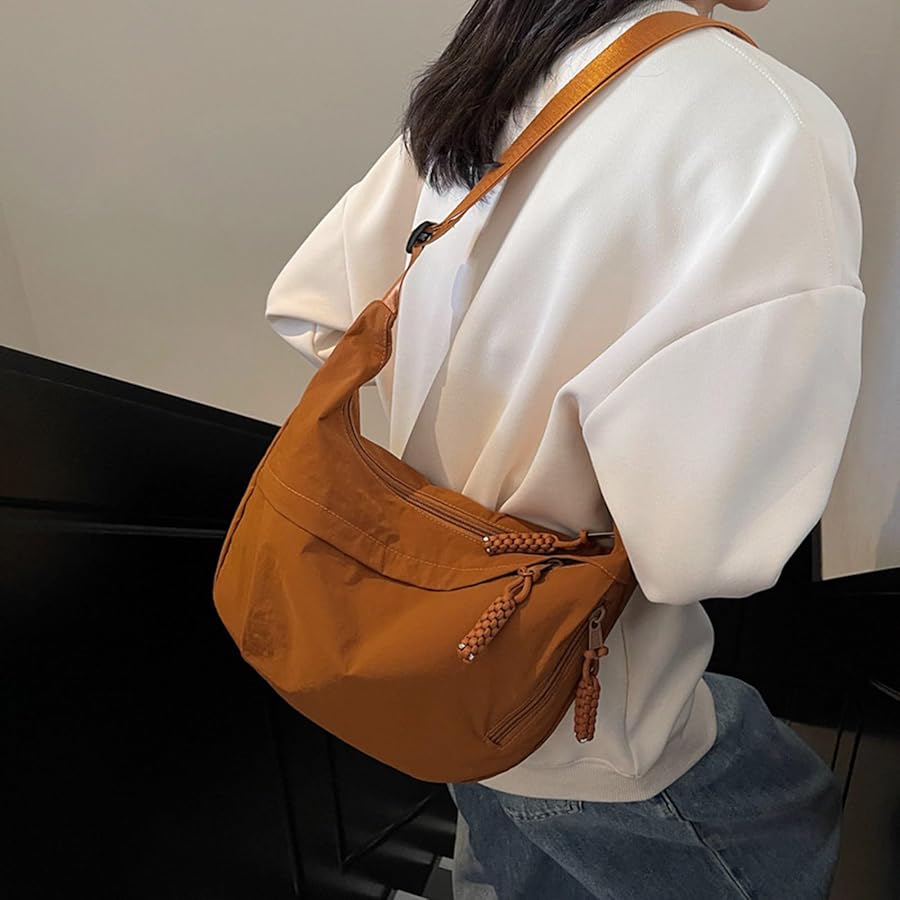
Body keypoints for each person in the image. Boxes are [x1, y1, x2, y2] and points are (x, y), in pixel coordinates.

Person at [264, 0, 864, 896]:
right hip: (591, 709)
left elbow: (313, 308)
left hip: (441, 672)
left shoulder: (502, 65)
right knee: (793, 820)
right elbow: (706, 549)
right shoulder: (768, 118)